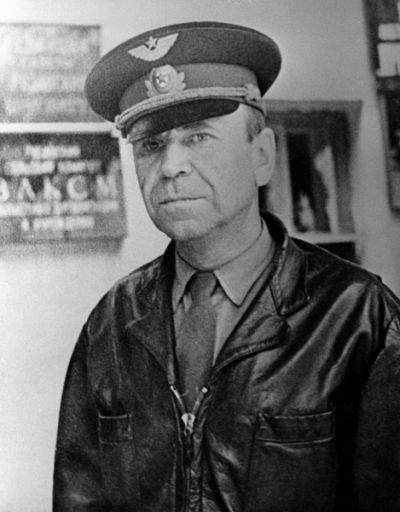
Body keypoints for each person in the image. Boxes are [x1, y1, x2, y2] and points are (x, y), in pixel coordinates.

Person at [53, 21, 400, 512]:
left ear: (262, 156)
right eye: (150, 145)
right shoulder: (111, 323)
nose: (170, 166)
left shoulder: (357, 316)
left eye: (199, 137)